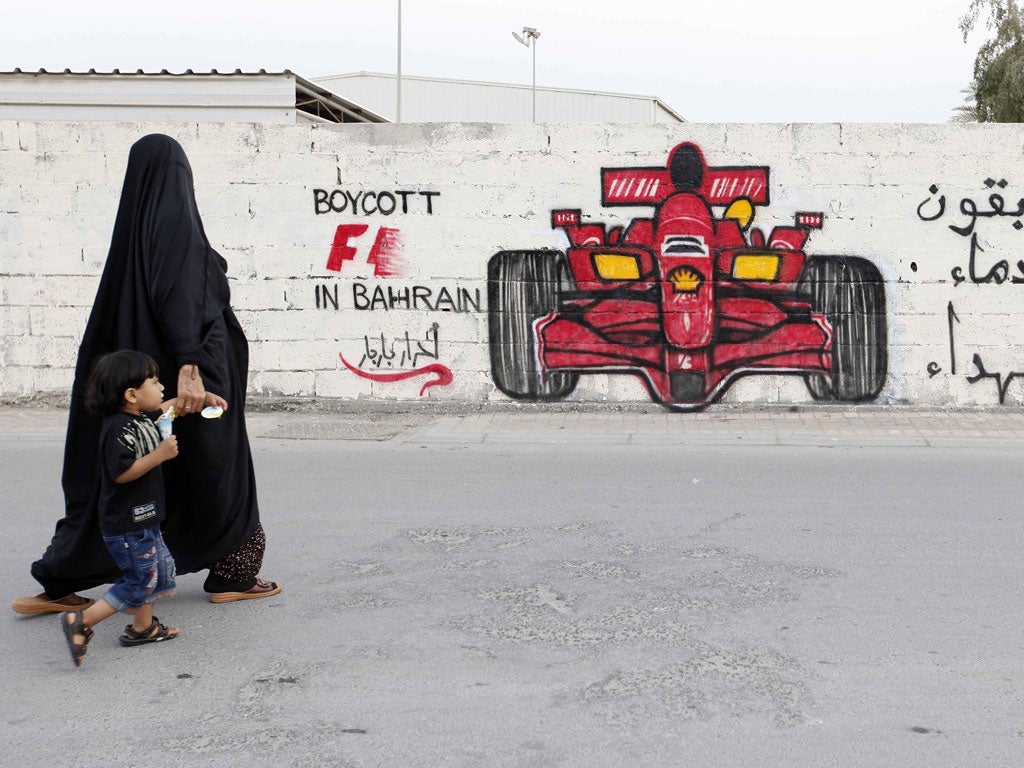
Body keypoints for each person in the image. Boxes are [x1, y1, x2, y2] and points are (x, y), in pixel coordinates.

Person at [13, 133, 280, 614]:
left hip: (142, 386)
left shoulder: (129, 252)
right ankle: (232, 573)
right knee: (220, 472)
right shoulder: (177, 231)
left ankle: (61, 577)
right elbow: (182, 298)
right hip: (189, 380)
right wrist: (191, 366)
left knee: (123, 476)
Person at [60, 351, 186, 667]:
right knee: (139, 579)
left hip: (144, 517)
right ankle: (83, 620)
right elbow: (121, 473)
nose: (161, 387)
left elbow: (165, 408)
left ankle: (143, 628)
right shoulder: (118, 429)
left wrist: (191, 400)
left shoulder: (140, 417)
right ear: (131, 395)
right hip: (128, 524)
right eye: (155, 382)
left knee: (152, 573)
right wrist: (159, 455)